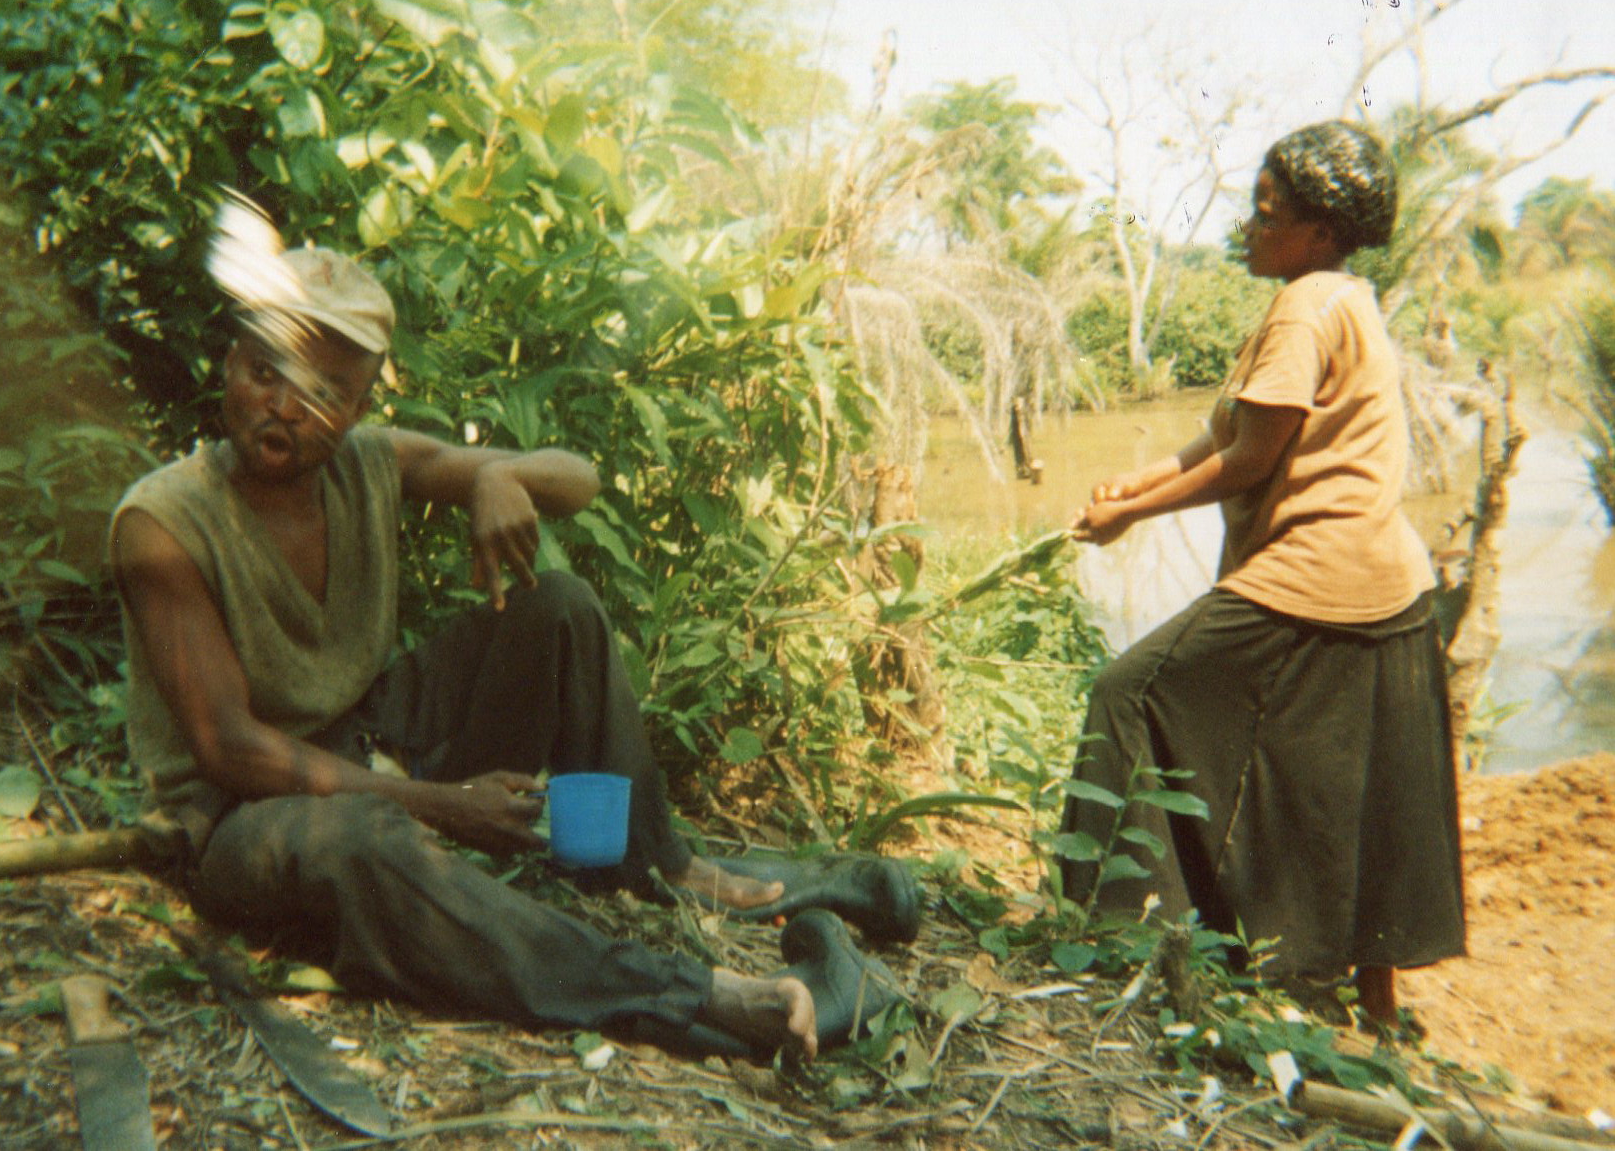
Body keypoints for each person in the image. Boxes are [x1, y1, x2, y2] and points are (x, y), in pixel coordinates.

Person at [109, 245, 910, 1059]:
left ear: (356, 406)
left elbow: (580, 479)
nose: (284, 406)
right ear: (229, 363)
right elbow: (229, 749)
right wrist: (444, 804)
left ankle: (660, 862)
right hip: (239, 818)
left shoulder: (369, 461)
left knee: (558, 605)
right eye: (264, 371)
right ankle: (698, 995)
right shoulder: (165, 523)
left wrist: (503, 478)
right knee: (363, 843)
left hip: (367, 737)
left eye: (324, 392)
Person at [1061, 121, 1465, 1027]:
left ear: (1319, 231)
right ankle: (1370, 1005)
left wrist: (1130, 515)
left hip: (1311, 572)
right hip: (1387, 583)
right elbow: (1230, 432)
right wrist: (1145, 475)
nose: (1246, 225)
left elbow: (1251, 460)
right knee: (1342, 788)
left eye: (1266, 212)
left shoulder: (1301, 307)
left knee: (1128, 695)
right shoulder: (1340, 297)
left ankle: (1125, 942)